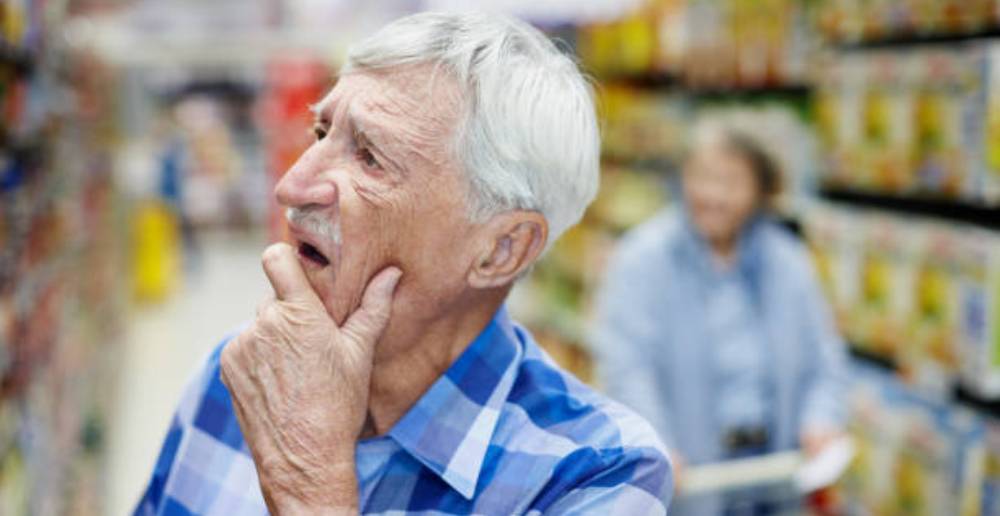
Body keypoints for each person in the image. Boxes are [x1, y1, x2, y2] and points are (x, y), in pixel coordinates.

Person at [135, 12, 672, 515]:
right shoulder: (241, 375)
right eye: (321, 133)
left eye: (369, 157)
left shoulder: (597, 473)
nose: (292, 186)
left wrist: (309, 482)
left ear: (501, 249)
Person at [592, 117, 848, 515]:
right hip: (690, 485)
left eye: (730, 182)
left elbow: (824, 358)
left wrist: (821, 420)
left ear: (760, 189)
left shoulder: (788, 261)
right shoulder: (642, 259)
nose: (712, 194)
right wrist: (654, 441)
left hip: (776, 478)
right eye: (702, 177)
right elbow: (627, 366)